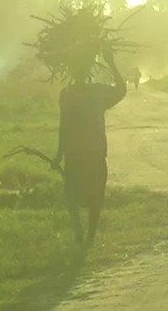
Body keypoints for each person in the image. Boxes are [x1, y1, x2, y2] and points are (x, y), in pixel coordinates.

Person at [57, 51, 126, 244]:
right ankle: (87, 235)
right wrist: (112, 64)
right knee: (91, 195)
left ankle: (83, 233)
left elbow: (63, 126)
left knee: (75, 195)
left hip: (77, 152)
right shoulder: (93, 92)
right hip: (91, 152)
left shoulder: (68, 94)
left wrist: (58, 153)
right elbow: (121, 90)